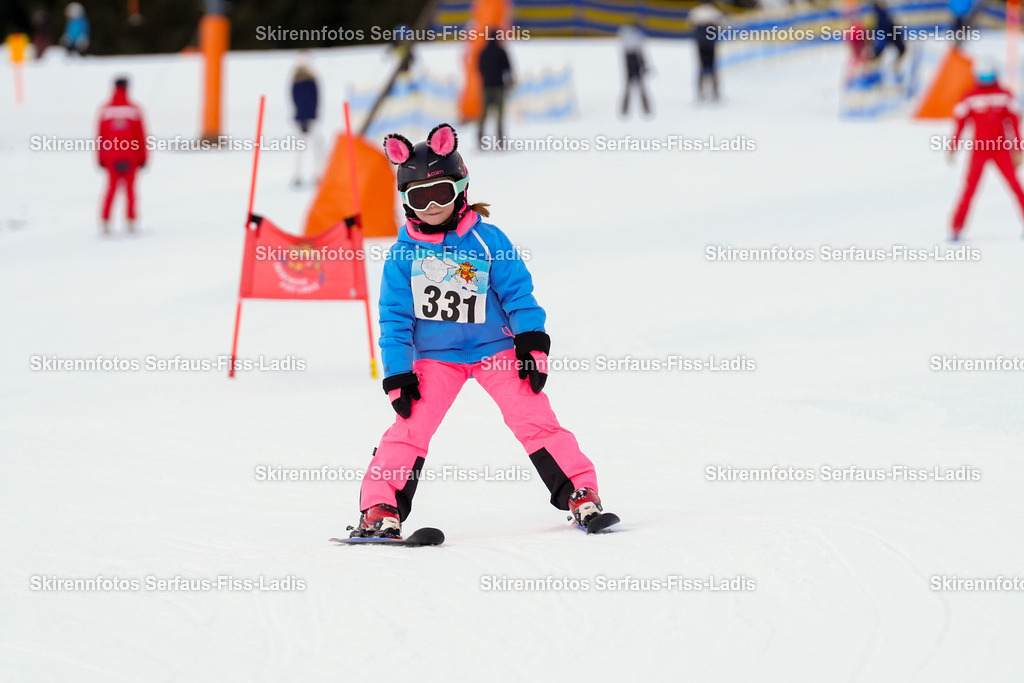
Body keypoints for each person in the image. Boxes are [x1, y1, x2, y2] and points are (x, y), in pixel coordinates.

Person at [349, 123, 612, 538]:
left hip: (495, 349)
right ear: (406, 202)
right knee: (412, 425)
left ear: (462, 190)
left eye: (442, 194)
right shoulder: (402, 256)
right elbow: (394, 320)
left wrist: (531, 343)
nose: (433, 205)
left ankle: (580, 492)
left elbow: (518, 295)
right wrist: (398, 374)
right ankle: (380, 507)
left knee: (533, 415)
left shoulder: (488, 240)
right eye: (420, 197)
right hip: (435, 357)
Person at [948, 61, 1024, 240]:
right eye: (983, 77)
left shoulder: (1004, 95)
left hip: (1001, 149)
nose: (986, 81)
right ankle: (956, 228)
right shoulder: (970, 97)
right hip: (980, 150)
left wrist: (1018, 149)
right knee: (970, 188)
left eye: (989, 77)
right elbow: (960, 123)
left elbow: (1014, 124)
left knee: (1015, 185)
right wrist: (953, 146)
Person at [97, 76, 148, 234]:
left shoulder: (105, 109)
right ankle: (131, 220)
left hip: (111, 156)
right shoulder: (134, 109)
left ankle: (105, 221)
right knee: (130, 191)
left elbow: (101, 136)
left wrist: (100, 157)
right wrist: (143, 157)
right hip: (131, 156)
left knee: (111, 189)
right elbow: (140, 136)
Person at [289, 52, 321, 187]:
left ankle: (316, 174)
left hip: (308, 118)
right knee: (301, 148)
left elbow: (313, 100)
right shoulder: (298, 81)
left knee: (314, 148)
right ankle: (298, 175)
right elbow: (297, 101)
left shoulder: (308, 81)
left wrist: (308, 117)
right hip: (303, 119)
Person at [477, 36, 513, 148]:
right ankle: (500, 140)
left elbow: (479, 68)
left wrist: (485, 78)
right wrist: (509, 82)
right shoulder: (501, 51)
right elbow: (508, 68)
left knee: (483, 114)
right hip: (498, 87)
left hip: (486, 87)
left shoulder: (483, 52)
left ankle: (480, 138)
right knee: (500, 114)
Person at [689, 1, 724, 101]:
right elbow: (721, 25)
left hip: (701, 42)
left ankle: (700, 90)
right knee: (712, 64)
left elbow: (691, 25)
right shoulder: (715, 12)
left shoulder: (696, 11)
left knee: (701, 64)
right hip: (710, 43)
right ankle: (715, 90)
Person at [618, 24, 652, 117]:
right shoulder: (635, 37)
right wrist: (643, 65)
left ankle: (626, 110)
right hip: (634, 58)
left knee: (633, 87)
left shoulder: (627, 37)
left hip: (631, 58)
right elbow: (640, 53)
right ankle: (645, 109)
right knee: (638, 87)